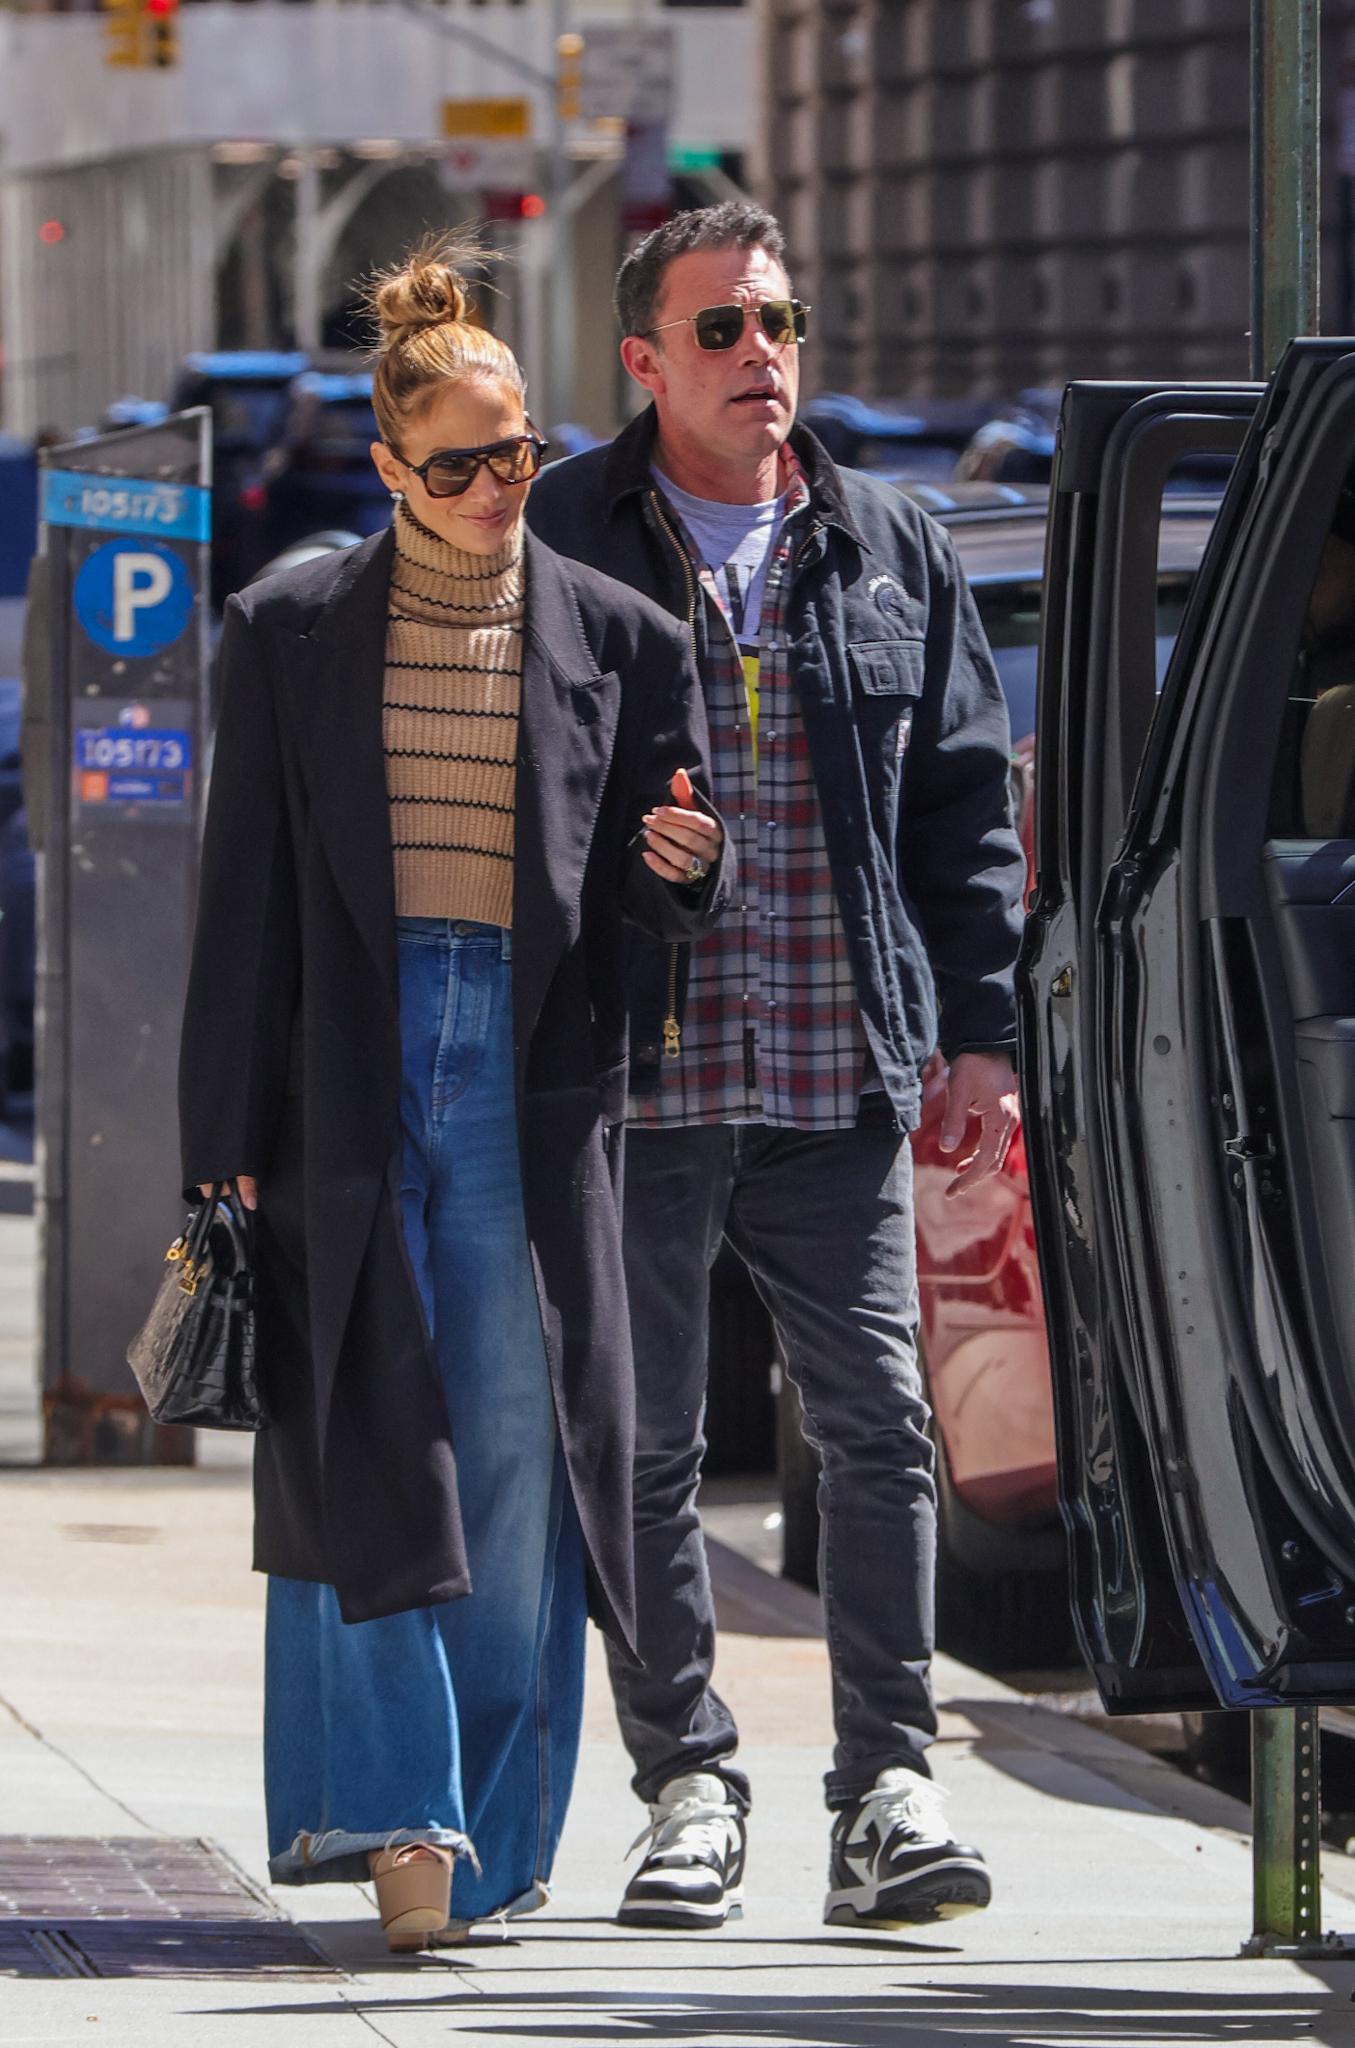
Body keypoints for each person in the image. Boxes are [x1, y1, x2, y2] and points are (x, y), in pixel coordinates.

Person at [177, 236, 725, 1952]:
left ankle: (486, 1839)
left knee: (506, 1453)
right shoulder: (287, 633)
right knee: (359, 1437)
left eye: (524, 455)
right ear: (392, 466)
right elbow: (242, 908)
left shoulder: (629, 640)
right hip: (345, 1059)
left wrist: (683, 877)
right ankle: (395, 1814)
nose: (504, 486)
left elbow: (657, 902)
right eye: (467, 462)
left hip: (532, 1075)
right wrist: (221, 1154)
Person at [528, 202, 1025, 1931]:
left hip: (841, 1062)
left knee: (883, 1429)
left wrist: (983, 1038)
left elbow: (967, 814)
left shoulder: (886, 540)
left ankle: (888, 1783)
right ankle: (686, 1784)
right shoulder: (560, 533)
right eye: (723, 330)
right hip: (635, 1075)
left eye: (781, 321)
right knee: (645, 1444)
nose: (763, 356)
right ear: (645, 360)